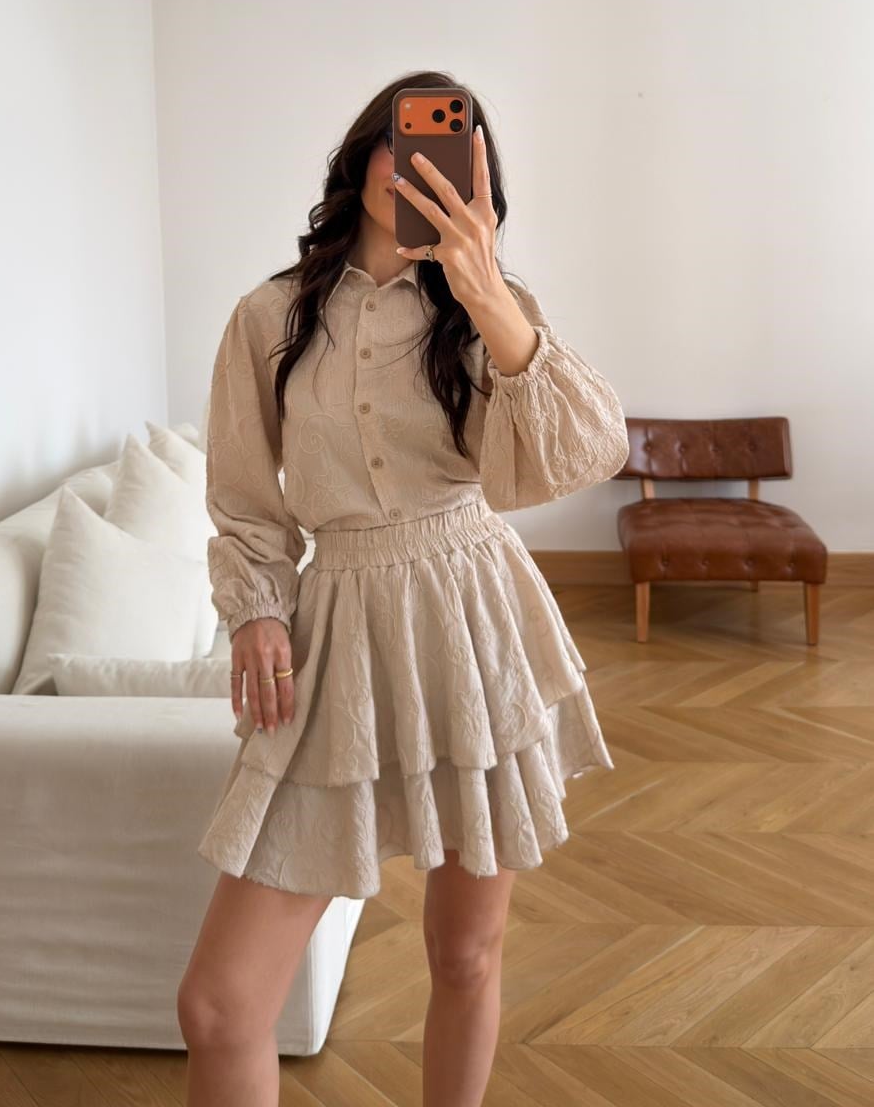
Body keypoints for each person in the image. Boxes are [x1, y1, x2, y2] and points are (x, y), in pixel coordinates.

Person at [177, 68, 630, 1107]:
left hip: (474, 621)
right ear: (363, 157)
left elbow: (588, 447)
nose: (415, 161)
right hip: (336, 631)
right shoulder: (270, 317)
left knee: (465, 953)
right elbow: (244, 498)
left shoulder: (488, 311)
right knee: (219, 1006)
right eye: (400, 136)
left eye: (446, 144)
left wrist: (486, 291)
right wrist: (255, 611)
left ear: (475, 178)